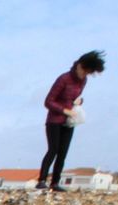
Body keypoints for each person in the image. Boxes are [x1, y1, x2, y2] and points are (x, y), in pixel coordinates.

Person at [38, 49, 105, 193]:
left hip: (70, 121)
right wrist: (64, 110)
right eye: (85, 71)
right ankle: (42, 180)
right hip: (54, 121)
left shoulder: (83, 81)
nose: (85, 74)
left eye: (89, 73)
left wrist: (79, 102)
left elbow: (74, 99)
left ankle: (55, 183)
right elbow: (48, 101)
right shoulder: (64, 78)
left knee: (63, 153)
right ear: (79, 65)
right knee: (53, 150)